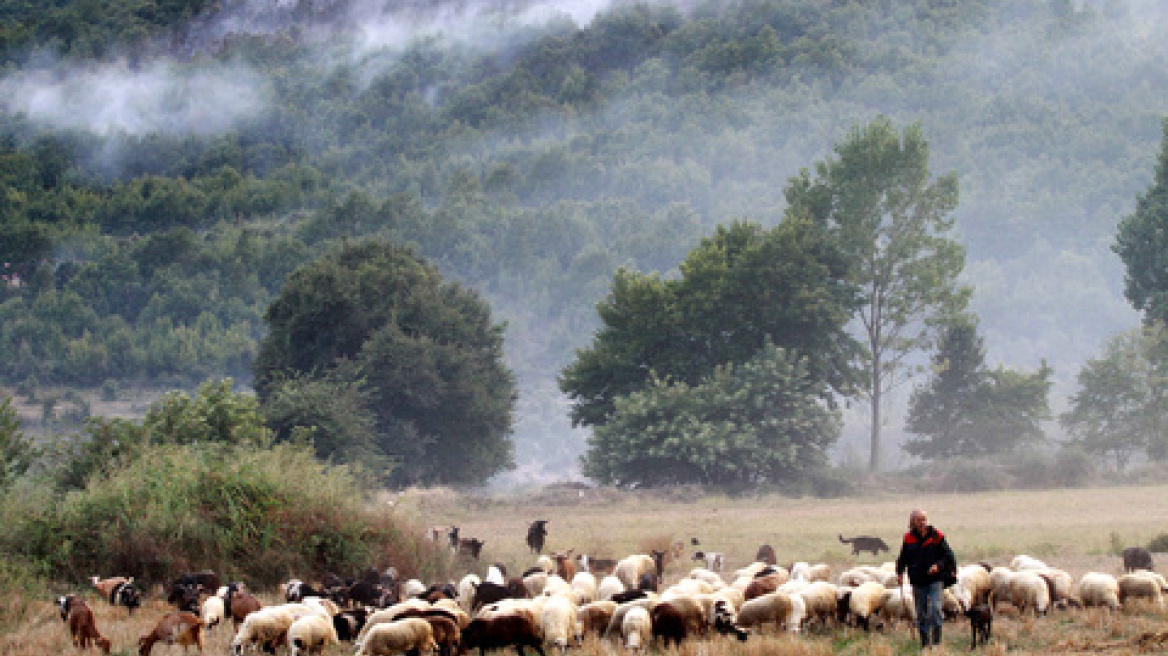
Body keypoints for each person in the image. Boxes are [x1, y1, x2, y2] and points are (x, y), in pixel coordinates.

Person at [895, 509, 956, 649]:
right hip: (917, 580)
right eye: (919, 520)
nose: (922, 522)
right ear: (912, 522)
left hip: (935, 578)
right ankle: (925, 643)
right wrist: (899, 572)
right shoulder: (908, 538)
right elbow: (903, 557)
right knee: (921, 612)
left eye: (924, 519)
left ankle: (936, 643)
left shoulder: (937, 536)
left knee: (935, 609)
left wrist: (938, 566)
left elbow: (949, 556)